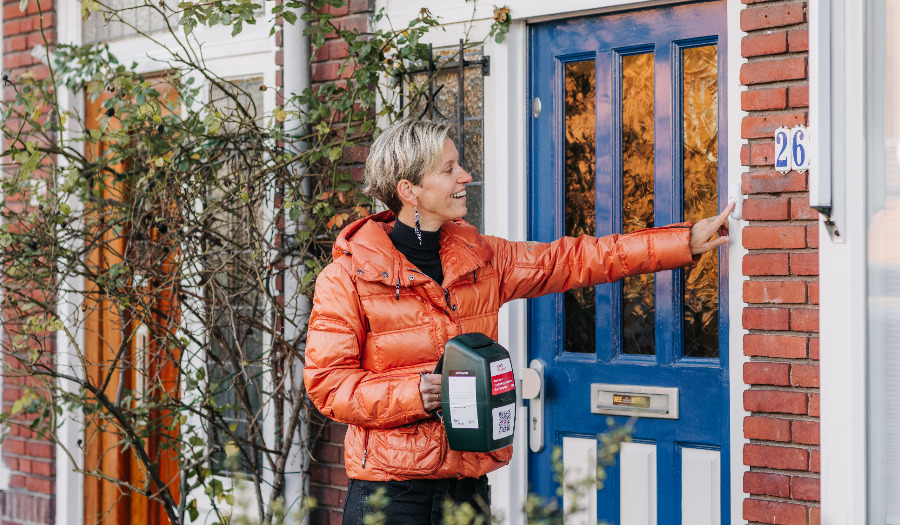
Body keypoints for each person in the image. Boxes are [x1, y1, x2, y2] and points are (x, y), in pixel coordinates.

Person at [303, 118, 733, 524]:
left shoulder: (483, 259)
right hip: (390, 494)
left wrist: (680, 242)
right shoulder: (347, 278)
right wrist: (417, 392)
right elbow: (329, 385)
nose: (465, 176)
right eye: (450, 168)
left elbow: (572, 259)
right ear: (409, 190)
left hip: (466, 487)